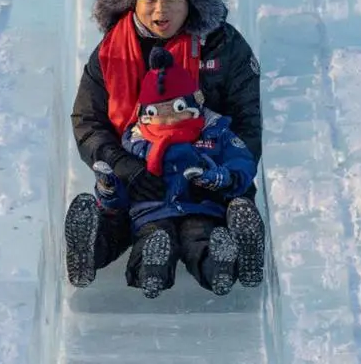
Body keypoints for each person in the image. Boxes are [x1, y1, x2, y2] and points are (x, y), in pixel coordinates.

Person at [65, 0, 264, 291]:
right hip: (137, 168)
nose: (161, 11)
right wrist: (123, 164)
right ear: (133, 2)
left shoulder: (224, 45)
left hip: (208, 168)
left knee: (203, 229)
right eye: (150, 0)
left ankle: (231, 252)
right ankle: (90, 249)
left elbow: (247, 121)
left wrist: (228, 179)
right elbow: (88, 121)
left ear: (190, 0)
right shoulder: (112, 52)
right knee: (129, 218)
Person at [85, 46, 263, 298]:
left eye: (176, 109)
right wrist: (109, 188)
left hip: (202, 207)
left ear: (194, 104)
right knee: (154, 239)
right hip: (152, 211)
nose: (167, 120)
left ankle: (221, 268)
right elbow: (125, 192)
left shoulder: (215, 134)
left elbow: (241, 161)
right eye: (157, 113)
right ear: (145, 114)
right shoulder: (135, 144)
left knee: (200, 239)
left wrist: (218, 177)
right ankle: (151, 272)